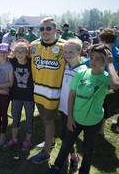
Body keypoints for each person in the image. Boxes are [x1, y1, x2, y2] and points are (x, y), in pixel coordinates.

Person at [45, 44, 119, 174]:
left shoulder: (106, 77)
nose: (93, 61)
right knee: (66, 145)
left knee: (88, 149)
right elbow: (71, 96)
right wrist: (70, 118)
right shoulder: (81, 73)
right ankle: (57, 167)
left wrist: (111, 64)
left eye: (98, 59)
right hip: (75, 118)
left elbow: (115, 85)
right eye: (91, 58)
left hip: (93, 121)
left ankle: (84, 171)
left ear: (105, 60)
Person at [29, 17, 66, 164]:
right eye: (42, 29)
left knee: (49, 121)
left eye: (48, 28)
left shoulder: (65, 46)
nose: (45, 32)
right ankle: (49, 141)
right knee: (45, 119)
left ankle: (46, 153)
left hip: (54, 92)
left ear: (56, 30)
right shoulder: (33, 45)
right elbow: (18, 57)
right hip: (38, 90)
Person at [57, 39, 87, 171]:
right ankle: (70, 157)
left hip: (73, 111)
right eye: (66, 51)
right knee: (65, 136)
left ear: (78, 52)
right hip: (63, 108)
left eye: (71, 51)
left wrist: (72, 113)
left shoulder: (82, 70)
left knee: (66, 136)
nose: (67, 54)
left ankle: (73, 158)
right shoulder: (65, 65)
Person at [4, 41, 35, 151]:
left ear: (27, 53)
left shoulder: (32, 62)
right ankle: (14, 138)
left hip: (29, 97)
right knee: (15, 117)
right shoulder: (12, 61)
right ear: (14, 52)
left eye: (22, 52)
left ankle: (27, 140)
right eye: (17, 51)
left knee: (29, 118)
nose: (20, 54)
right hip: (16, 96)